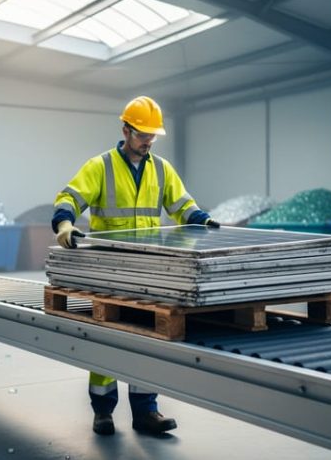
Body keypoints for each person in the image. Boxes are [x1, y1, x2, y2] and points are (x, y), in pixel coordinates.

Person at [51, 95, 219, 436]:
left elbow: (183, 205)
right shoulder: (100, 166)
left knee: (149, 340)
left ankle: (146, 412)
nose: (148, 141)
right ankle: (103, 412)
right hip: (109, 271)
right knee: (106, 341)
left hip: (149, 274)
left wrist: (203, 220)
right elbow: (69, 197)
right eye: (142, 134)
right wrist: (64, 225)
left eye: (152, 135)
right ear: (125, 130)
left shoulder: (161, 169)